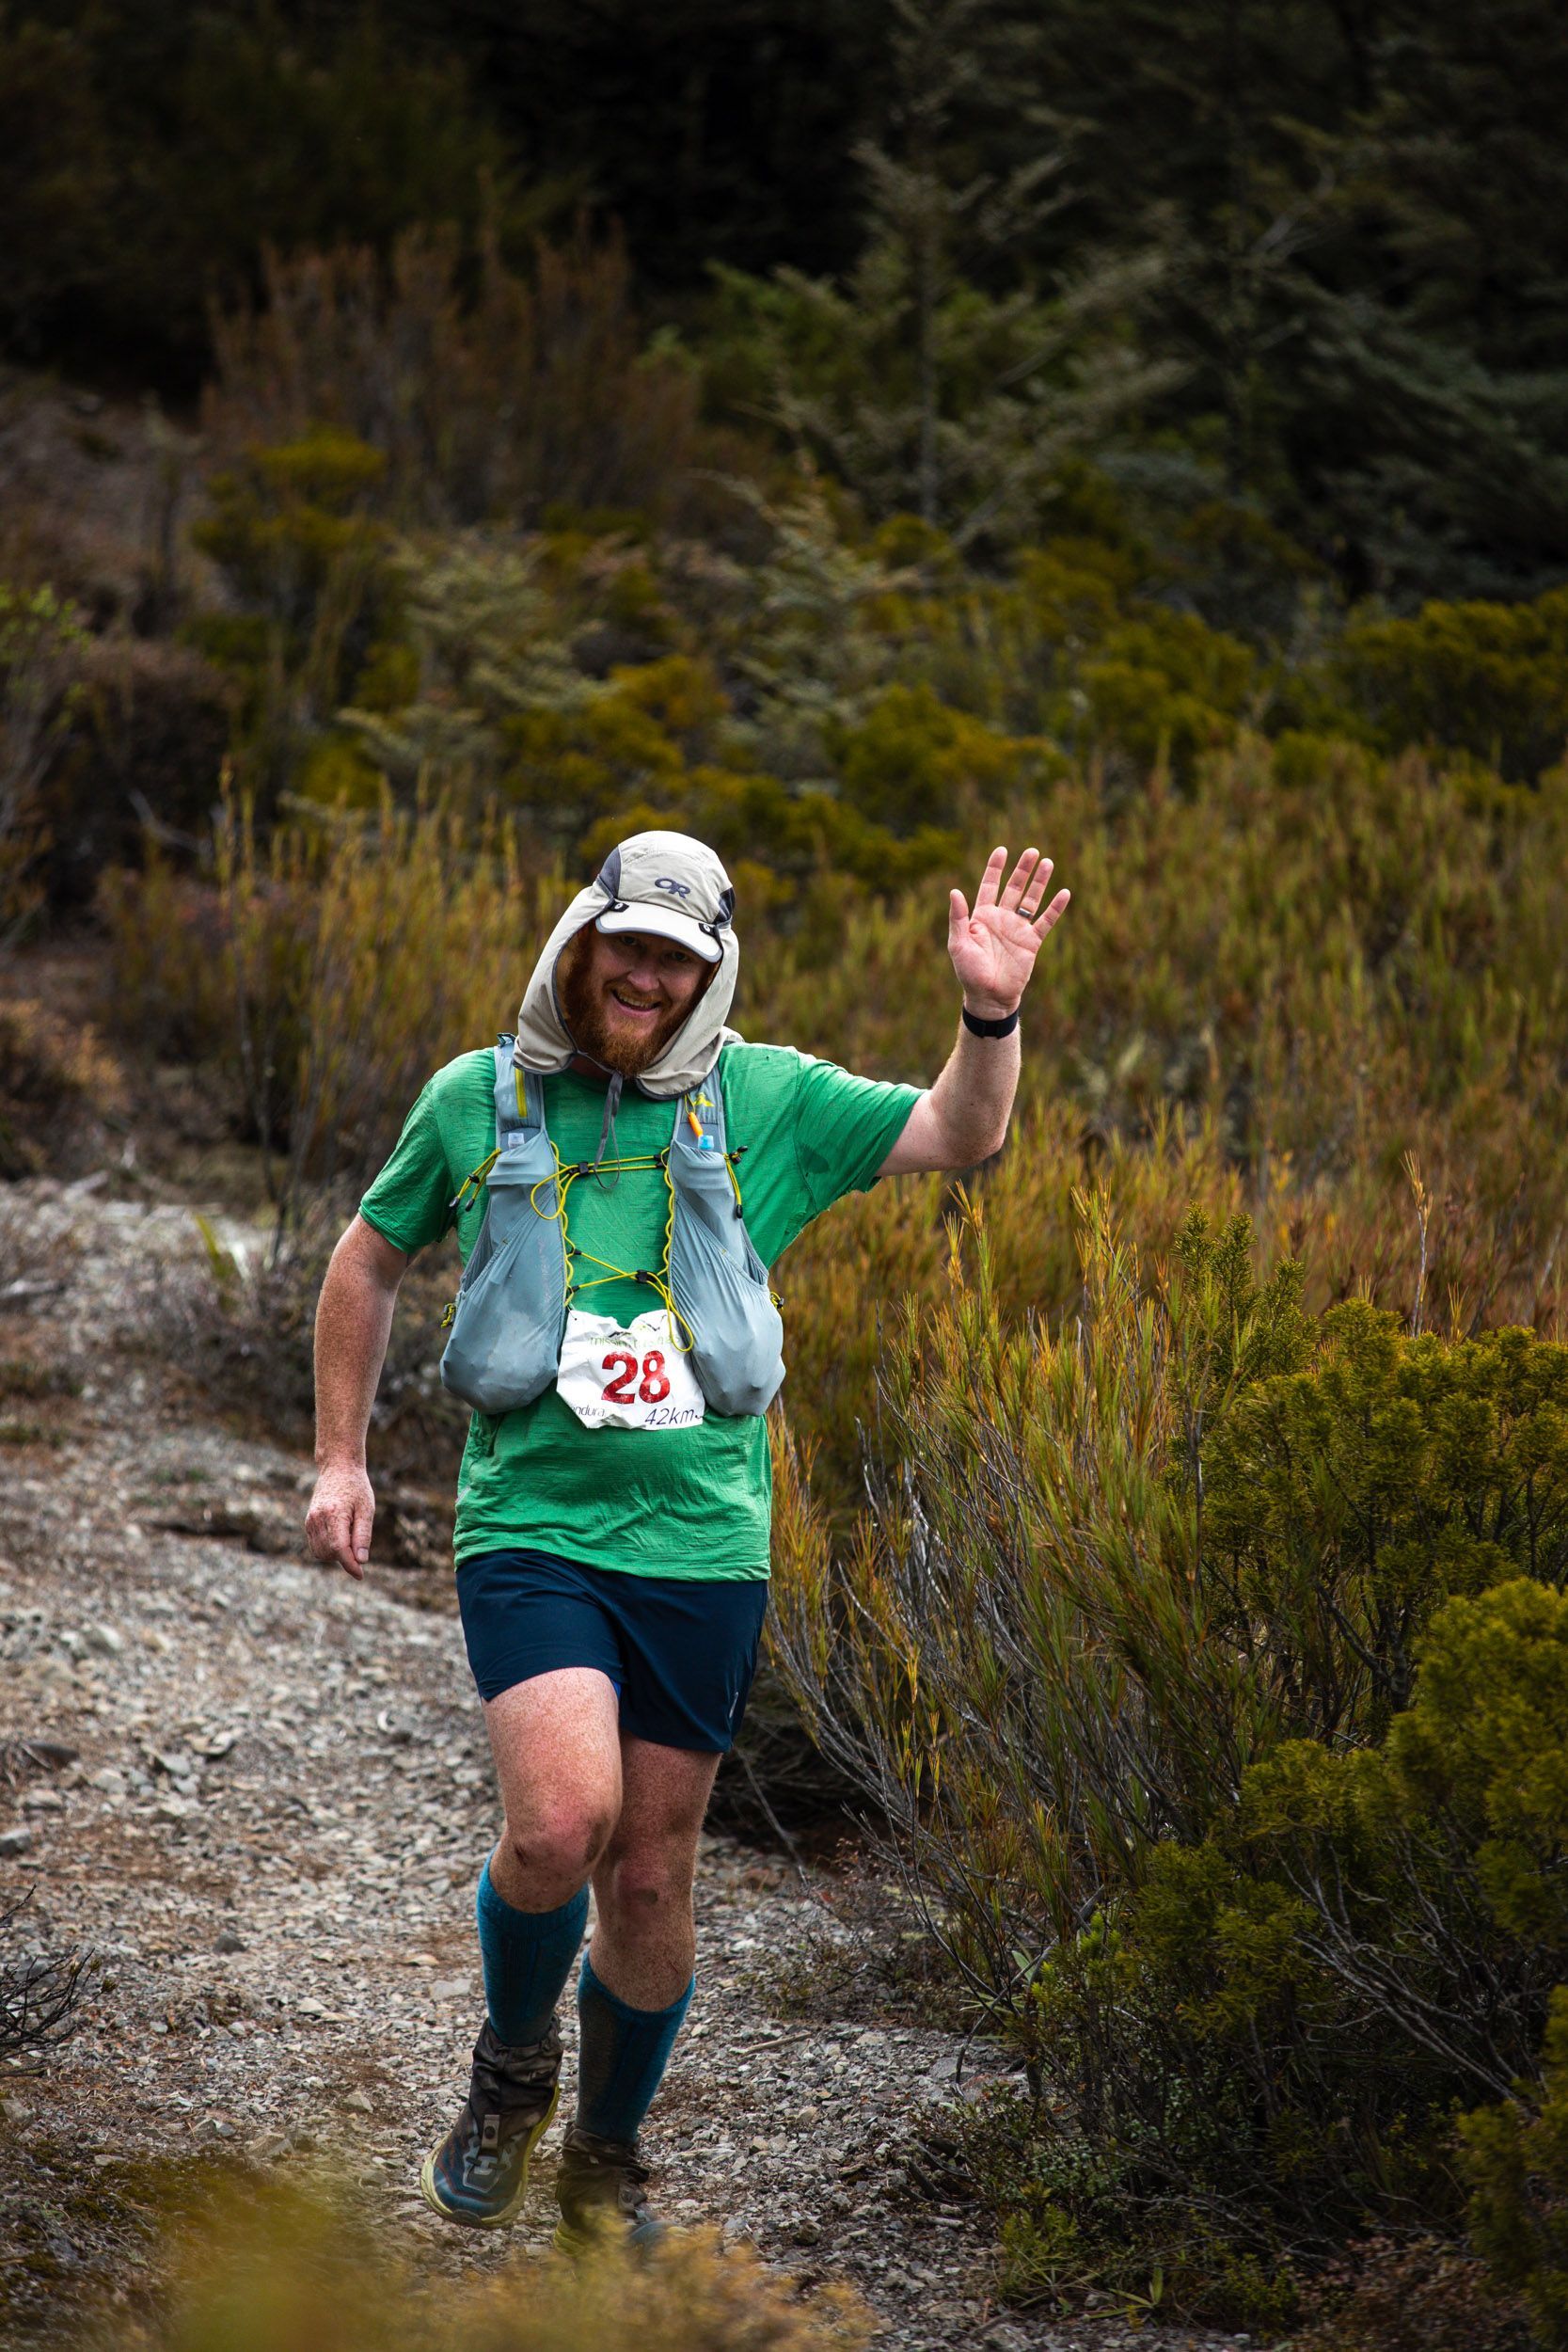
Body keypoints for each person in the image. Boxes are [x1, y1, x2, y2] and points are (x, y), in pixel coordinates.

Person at [304, 827, 1069, 2245]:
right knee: (559, 1826)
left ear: (708, 971)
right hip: (532, 1525)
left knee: (651, 1878)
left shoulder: (769, 1098)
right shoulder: (478, 1097)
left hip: (704, 1545)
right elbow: (368, 1255)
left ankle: (604, 2162)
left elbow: (961, 1135)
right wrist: (340, 1458)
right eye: (627, 947)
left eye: (675, 957)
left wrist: (989, 1013)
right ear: (580, 942)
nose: (645, 977)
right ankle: (510, 2071)